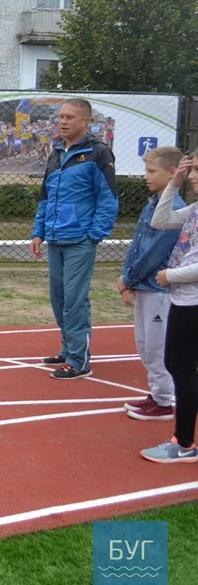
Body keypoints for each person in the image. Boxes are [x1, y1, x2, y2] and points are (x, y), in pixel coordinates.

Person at [30, 98, 118, 379]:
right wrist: (38, 232)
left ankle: (80, 361)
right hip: (55, 239)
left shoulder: (98, 153)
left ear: (86, 122)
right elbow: (45, 198)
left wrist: (94, 236)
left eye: (70, 117)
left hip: (80, 240)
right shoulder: (55, 153)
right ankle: (68, 350)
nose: (63, 122)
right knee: (59, 299)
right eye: (61, 117)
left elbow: (108, 200)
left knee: (75, 300)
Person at [117, 147, 187, 421]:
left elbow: (156, 251)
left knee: (157, 346)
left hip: (160, 289)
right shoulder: (152, 203)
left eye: (151, 171)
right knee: (144, 342)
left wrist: (129, 278)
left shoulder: (176, 209)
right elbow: (137, 244)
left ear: (172, 173)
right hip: (145, 285)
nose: (145, 176)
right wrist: (129, 278)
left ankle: (163, 400)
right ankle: (157, 392)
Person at [141, 153, 198, 463]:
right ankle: (184, 439)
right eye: (191, 170)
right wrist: (174, 182)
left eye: (196, 171)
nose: (192, 176)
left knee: (184, 369)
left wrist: (169, 275)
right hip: (183, 298)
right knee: (176, 364)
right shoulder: (194, 210)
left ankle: (185, 442)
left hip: (193, 300)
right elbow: (159, 220)